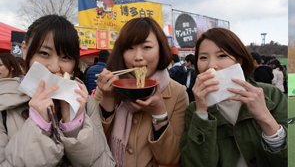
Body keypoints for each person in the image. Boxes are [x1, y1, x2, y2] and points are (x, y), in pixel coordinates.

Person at [0, 15, 115, 166]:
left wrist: (75, 128)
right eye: (44, 53)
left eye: (66, 57)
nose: (54, 67)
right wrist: (38, 127)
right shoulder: (4, 103)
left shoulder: (85, 103)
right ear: (25, 50)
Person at [180, 28, 288, 166]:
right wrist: (201, 113)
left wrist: (265, 118)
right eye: (203, 58)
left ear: (239, 61)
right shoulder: (194, 110)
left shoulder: (271, 95)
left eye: (222, 55)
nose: (211, 65)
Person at [94, 17, 189, 167]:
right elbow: (94, 145)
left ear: (160, 50)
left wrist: (159, 113)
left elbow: (172, 158)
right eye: (130, 48)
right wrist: (108, 99)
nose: (138, 57)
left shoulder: (178, 93)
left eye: (147, 47)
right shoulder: (108, 88)